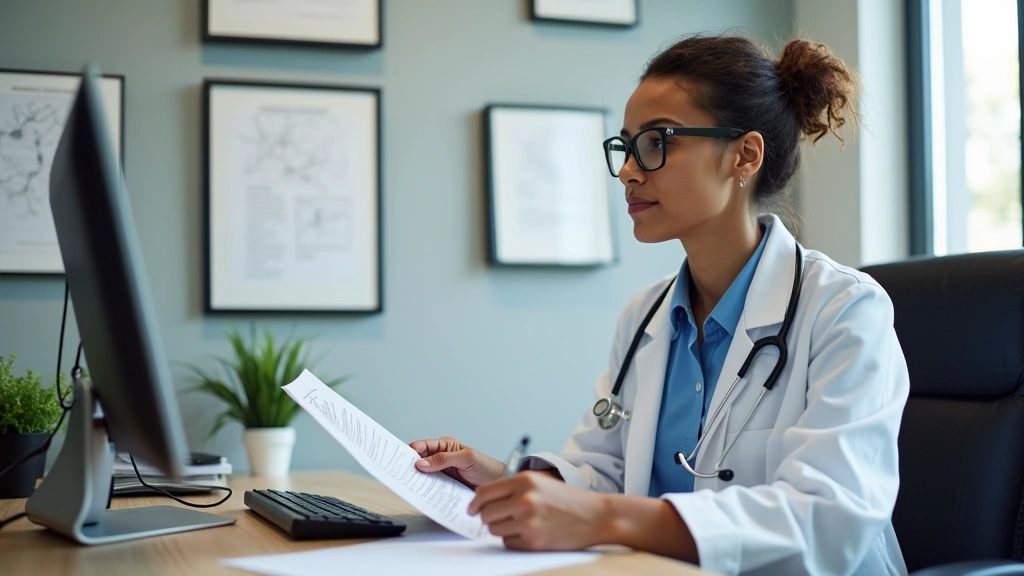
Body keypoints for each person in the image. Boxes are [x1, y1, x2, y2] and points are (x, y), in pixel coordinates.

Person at [412, 34, 909, 576]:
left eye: (656, 142)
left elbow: (828, 519)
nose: (628, 170)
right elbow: (604, 469)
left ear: (744, 155)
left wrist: (601, 518)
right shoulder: (645, 316)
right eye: (625, 147)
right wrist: (505, 481)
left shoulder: (844, 312)